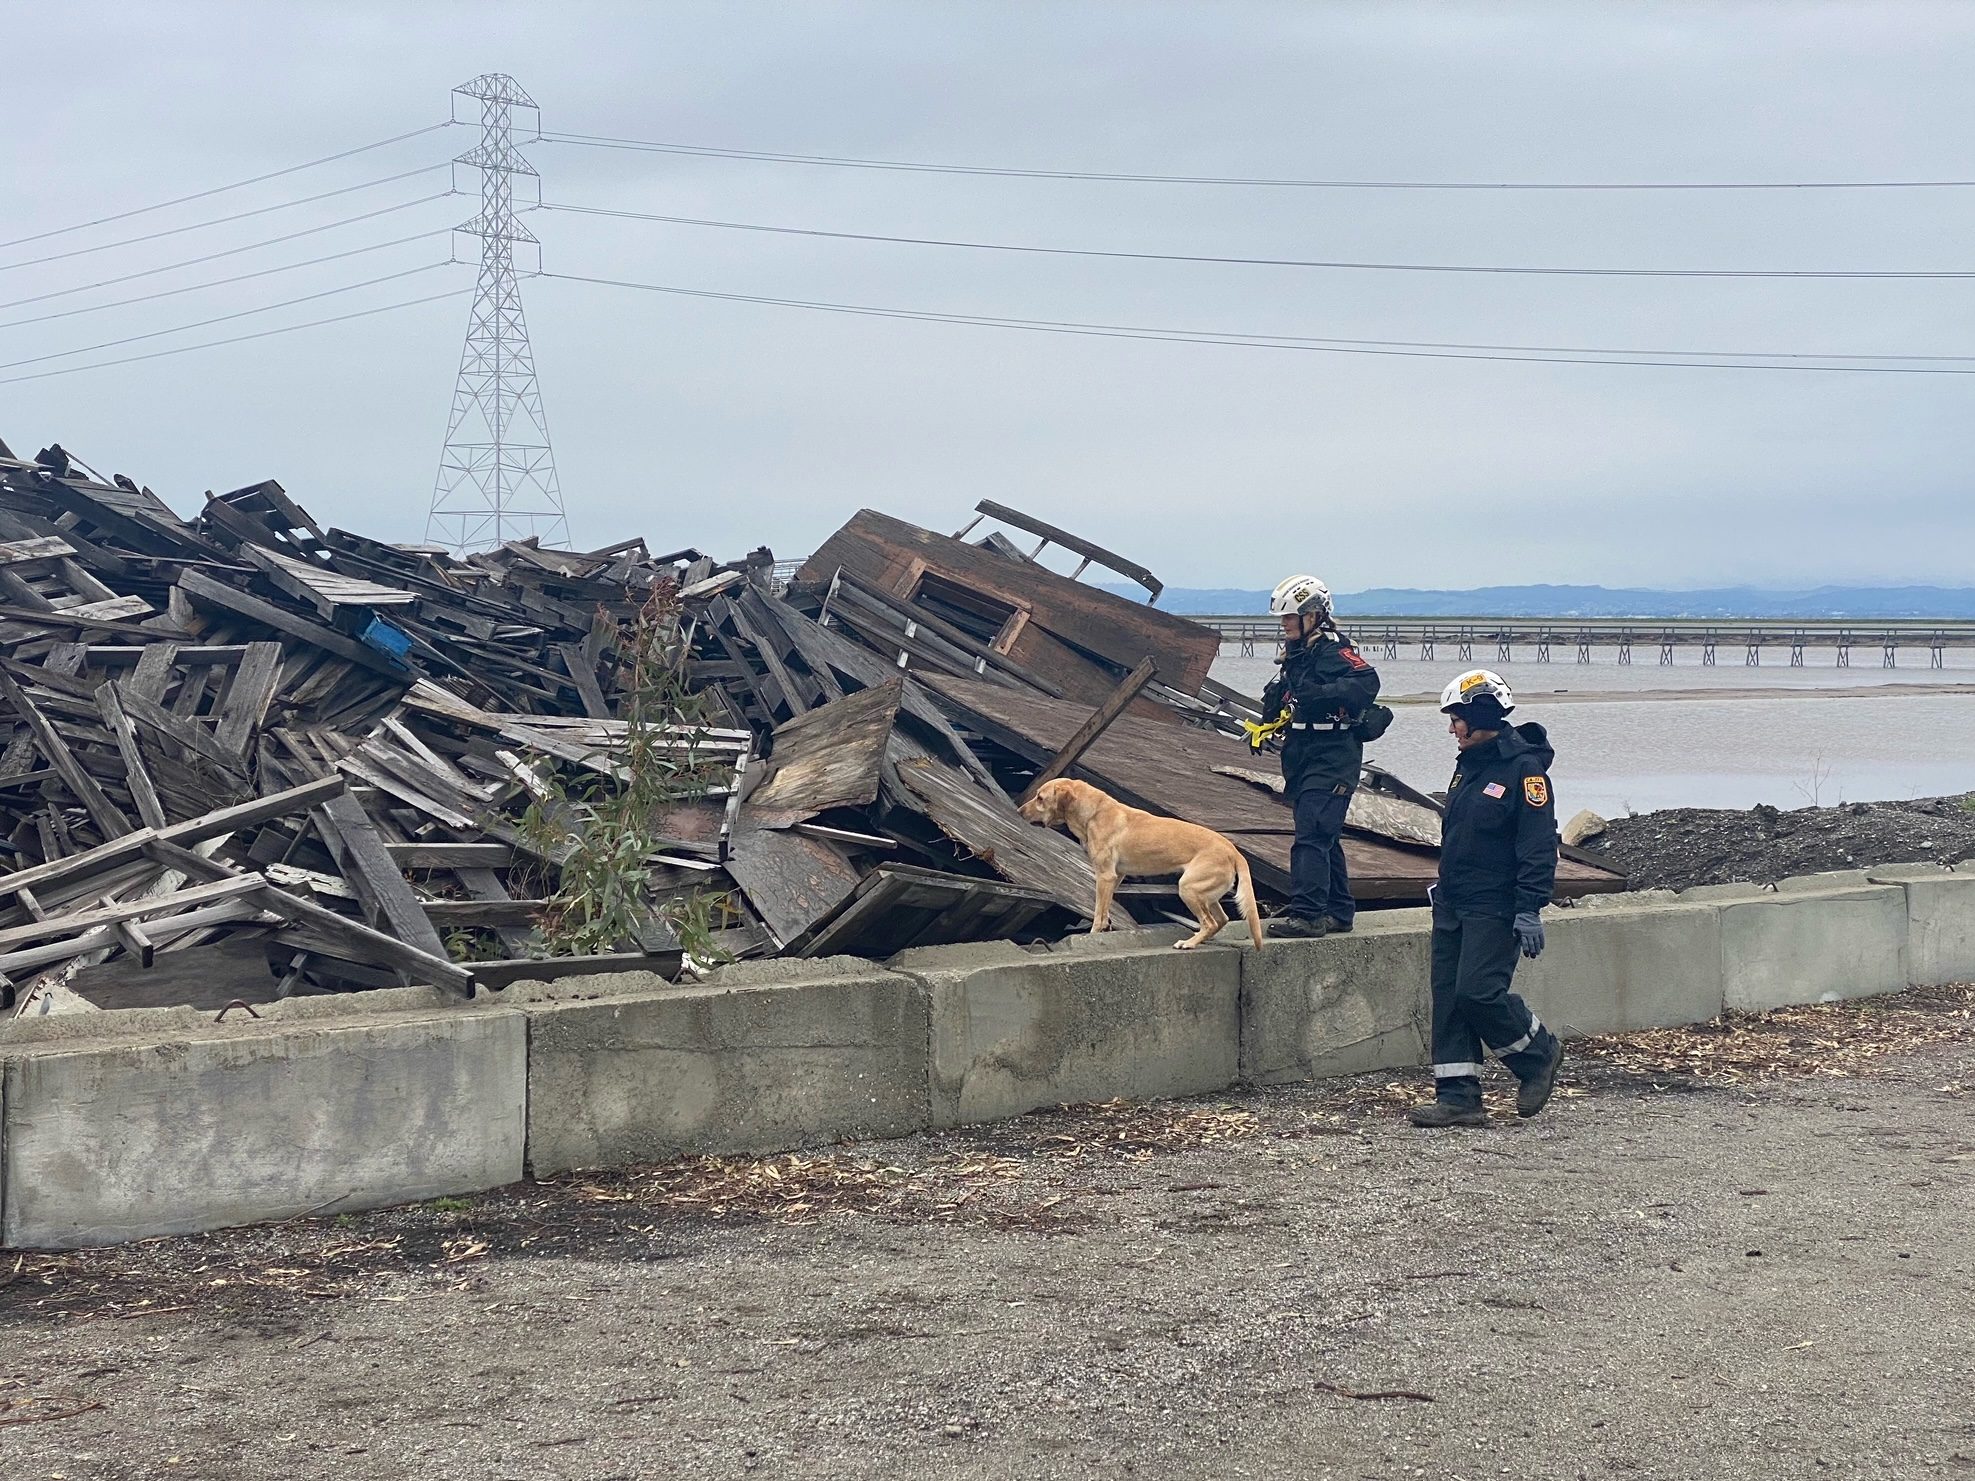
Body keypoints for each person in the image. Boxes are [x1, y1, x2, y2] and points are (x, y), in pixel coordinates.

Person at [1410, 669, 1564, 1128]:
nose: (1451, 727)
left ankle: (1538, 1054)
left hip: (1496, 905)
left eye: (1456, 717)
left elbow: (1538, 844)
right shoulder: (1469, 764)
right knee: (1449, 999)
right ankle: (1458, 1096)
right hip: (1454, 901)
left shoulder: (1525, 771)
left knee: (1478, 992)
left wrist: (1529, 907)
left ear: (1480, 714)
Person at [1259, 574, 1382, 938]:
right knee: (1323, 836)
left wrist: (1319, 694)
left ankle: (1309, 914)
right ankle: (1340, 912)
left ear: (1312, 615)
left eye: (1289, 618)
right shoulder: (1297, 655)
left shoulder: (1333, 650)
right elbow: (1283, 697)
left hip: (1334, 756)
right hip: (1303, 754)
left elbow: (1367, 684)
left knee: (1312, 833)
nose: (1284, 625)